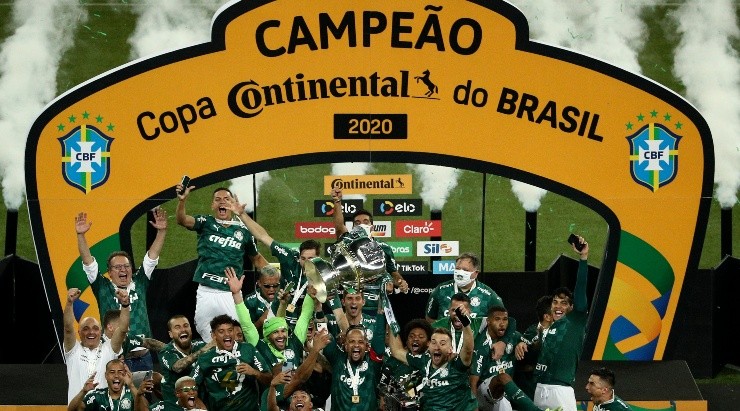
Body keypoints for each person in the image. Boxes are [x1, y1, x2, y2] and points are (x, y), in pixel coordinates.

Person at [75, 208, 167, 370]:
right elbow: (88, 262)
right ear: (109, 272)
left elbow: (152, 256)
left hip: (143, 358)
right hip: (114, 359)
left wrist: (161, 232)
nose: (123, 270)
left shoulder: (140, 281)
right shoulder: (102, 287)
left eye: (126, 266)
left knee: (145, 388)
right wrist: (81, 236)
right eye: (117, 267)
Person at [175, 184, 269, 342]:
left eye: (226, 199)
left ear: (232, 204)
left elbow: (257, 259)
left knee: (234, 337)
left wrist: (277, 274)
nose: (222, 202)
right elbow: (182, 220)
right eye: (217, 199)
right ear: (212, 205)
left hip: (230, 294)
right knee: (208, 336)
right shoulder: (206, 222)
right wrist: (182, 201)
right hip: (207, 291)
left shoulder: (244, 231)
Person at [518, 235, 590, 411]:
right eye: (555, 302)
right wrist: (522, 343)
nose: (558, 306)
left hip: (561, 390)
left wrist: (583, 258)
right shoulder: (546, 328)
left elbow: (581, 287)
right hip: (539, 388)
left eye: (563, 303)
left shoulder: (575, 321)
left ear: (572, 307)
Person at [234, 211, 322, 328]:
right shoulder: (289, 257)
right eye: (303, 258)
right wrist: (242, 214)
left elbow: (338, 312)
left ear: (318, 258)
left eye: (310, 259)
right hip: (278, 311)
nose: (306, 263)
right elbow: (263, 237)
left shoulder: (324, 274)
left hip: (306, 318)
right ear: (299, 256)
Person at [330, 187, 409, 308]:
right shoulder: (347, 242)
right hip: (353, 300)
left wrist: (400, 282)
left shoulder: (383, 247)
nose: (361, 225)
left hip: (376, 302)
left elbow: (393, 272)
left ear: (372, 226)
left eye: (365, 221)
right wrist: (337, 201)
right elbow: (339, 226)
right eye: (357, 223)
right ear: (353, 227)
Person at [191, 314, 272, 410]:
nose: (227, 334)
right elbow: (189, 385)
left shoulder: (248, 349)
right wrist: (202, 407)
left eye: (230, 330)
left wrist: (254, 372)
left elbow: (269, 379)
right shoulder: (205, 358)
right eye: (221, 331)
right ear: (213, 335)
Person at [64, 287, 129, 403]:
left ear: (100, 332)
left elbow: (123, 329)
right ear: (79, 332)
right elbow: (68, 328)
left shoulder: (109, 349)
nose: (91, 332)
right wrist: (69, 303)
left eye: (95, 328)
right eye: (86, 329)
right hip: (77, 408)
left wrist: (125, 305)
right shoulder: (73, 350)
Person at [323, 300, 386, 410]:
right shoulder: (338, 359)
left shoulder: (373, 363)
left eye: (360, 342)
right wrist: (319, 309)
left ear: (367, 346)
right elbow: (323, 335)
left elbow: (380, 336)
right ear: (346, 346)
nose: (356, 345)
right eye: (352, 341)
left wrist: (381, 308)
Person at [425, 252, 504, 322]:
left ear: (475, 273)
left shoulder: (488, 296)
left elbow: (501, 321)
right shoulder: (441, 290)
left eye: (465, 270)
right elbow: (430, 319)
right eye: (457, 268)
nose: (460, 273)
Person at [471, 305, 522, 411]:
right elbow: (473, 382)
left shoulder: (514, 337)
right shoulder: (481, 345)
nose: (502, 323)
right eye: (497, 319)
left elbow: (529, 342)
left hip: (505, 394)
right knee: (501, 379)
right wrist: (474, 408)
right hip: (484, 393)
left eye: (505, 319)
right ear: (488, 321)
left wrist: (522, 343)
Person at [158, 315, 214, 406]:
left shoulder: (199, 344)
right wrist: (204, 350)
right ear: (170, 334)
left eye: (186, 326)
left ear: (191, 329)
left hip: (198, 396)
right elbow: (177, 367)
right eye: (177, 327)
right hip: (176, 403)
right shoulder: (166, 352)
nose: (183, 330)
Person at [515, 295, 554, 399]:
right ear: (547, 317)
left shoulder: (561, 333)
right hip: (532, 390)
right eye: (556, 311)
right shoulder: (532, 334)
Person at [67, 359, 139, 411]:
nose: (116, 375)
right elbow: (72, 410)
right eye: (112, 372)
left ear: (125, 375)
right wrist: (83, 391)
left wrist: (131, 385)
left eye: (120, 372)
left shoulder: (132, 394)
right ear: (106, 375)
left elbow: (143, 408)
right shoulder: (97, 396)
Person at [243, 265, 283, 334]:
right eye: (267, 286)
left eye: (275, 285)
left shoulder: (283, 298)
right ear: (259, 283)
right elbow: (247, 333)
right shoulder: (250, 302)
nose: (272, 289)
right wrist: (261, 320)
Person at [137, 376, 208, 411]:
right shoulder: (165, 406)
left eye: (194, 389)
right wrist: (139, 394)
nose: (192, 392)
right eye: (186, 390)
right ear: (177, 393)